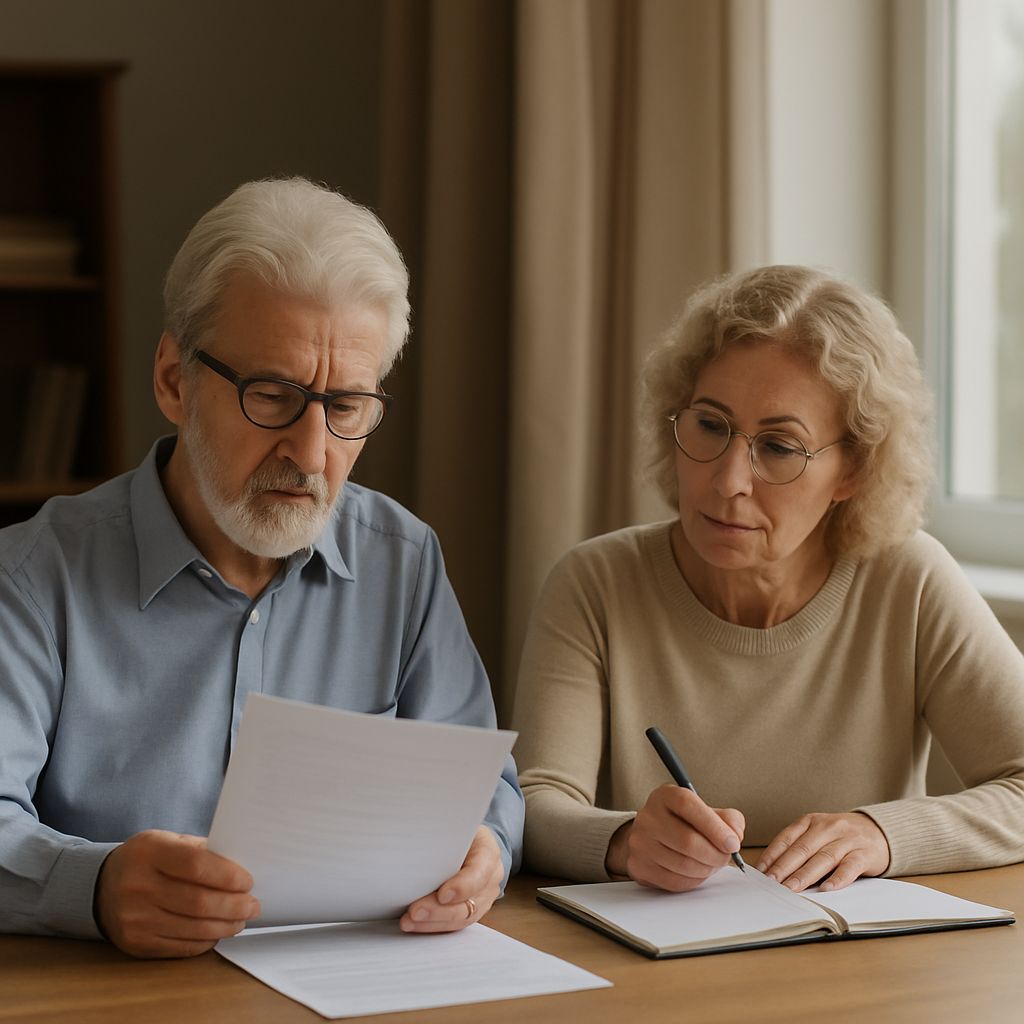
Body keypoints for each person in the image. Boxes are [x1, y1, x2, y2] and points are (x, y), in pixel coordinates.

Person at [0, 177, 523, 958]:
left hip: (359, 987)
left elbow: (487, 788)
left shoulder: (403, 562)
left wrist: (487, 848)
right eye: (273, 396)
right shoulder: (34, 576)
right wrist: (97, 886)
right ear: (174, 380)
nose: (312, 455)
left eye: (345, 407)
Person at [512, 264, 1024, 896]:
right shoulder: (595, 585)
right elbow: (533, 803)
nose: (729, 480)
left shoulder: (908, 581)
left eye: (779, 447)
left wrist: (882, 835)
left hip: (864, 966)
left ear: (853, 472)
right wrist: (623, 843)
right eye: (710, 425)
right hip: (660, 967)